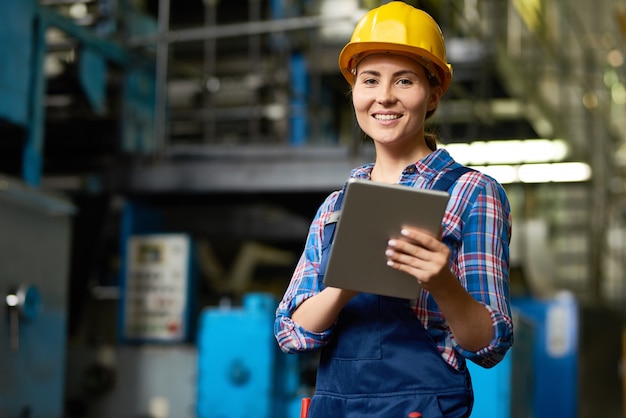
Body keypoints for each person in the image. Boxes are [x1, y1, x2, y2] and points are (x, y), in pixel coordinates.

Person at [274, 2, 514, 417]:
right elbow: (293, 335)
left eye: (404, 81)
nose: (384, 96)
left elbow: (489, 345)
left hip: (420, 407)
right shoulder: (336, 206)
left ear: (434, 91)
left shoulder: (472, 192)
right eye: (370, 80)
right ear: (355, 92)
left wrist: (441, 282)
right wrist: (345, 284)